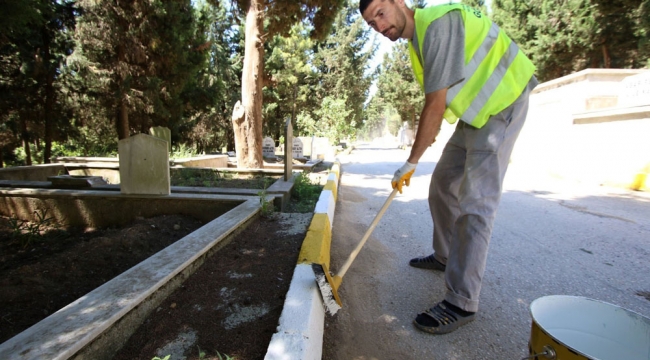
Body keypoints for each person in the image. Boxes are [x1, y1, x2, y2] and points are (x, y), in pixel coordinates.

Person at [360, 0, 538, 334]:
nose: (380, 27)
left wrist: (410, 162)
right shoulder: (417, 42)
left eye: (381, 14)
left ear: (399, 2)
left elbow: (435, 105)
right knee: (442, 184)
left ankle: (461, 302)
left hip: (504, 101)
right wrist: (415, 161)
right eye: (372, 24)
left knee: (476, 204)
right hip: (476, 114)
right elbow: (441, 103)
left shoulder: (437, 23)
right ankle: (444, 256)